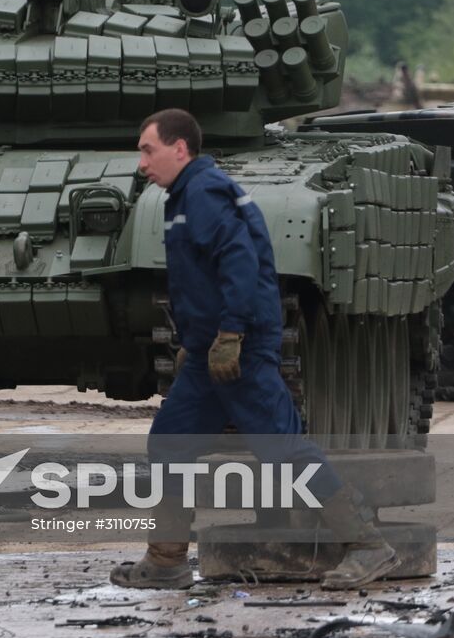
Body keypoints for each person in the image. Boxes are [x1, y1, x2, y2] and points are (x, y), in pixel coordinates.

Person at [110, 108, 395, 591]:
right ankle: (166, 560)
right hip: (211, 355)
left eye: (148, 150)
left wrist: (231, 336)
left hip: (238, 353)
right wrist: (197, 344)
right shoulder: (186, 195)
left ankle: (366, 545)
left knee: (283, 450)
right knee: (169, 443)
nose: (142, 163)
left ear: (180, 148)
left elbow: (240, 265)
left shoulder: (203, 194)